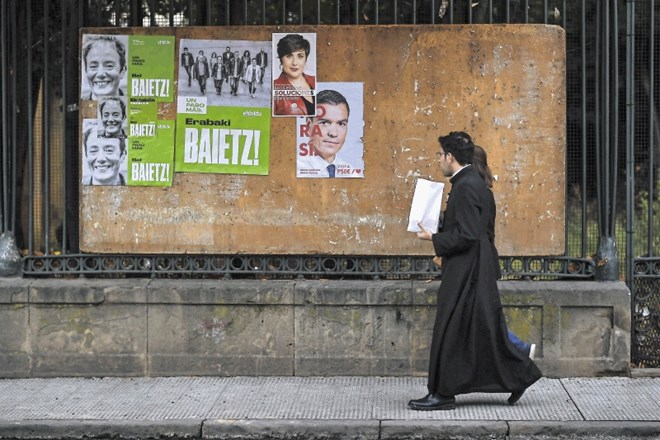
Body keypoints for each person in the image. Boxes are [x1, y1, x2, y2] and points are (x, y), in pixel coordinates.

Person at [409, 131, 541, 411]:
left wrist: (434, 238)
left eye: (439, 155)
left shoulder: (467, 186)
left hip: (467, 271)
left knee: (451, 329)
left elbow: (468, 235)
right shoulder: (470, 183)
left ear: (450, 157)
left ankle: (443, 394)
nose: (438, 160)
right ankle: (518, 375)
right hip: (471, 268)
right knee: (474, 332)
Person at [472, 144, 536, 360]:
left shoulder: (480, 195)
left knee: (484, 316)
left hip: (481, 262)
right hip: (484, 260)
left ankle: (519, 347)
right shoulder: (483, 192)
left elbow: (475, 231)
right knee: (479, 315)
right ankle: (517, 349)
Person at [297, 89, 352, 178]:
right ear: (308, 125)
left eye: (341, 124)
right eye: (324, 123)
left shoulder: (352, 174)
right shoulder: (294, 170)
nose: (333, 133)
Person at [273, 34, 316, 116]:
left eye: (300, 56)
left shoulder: (315, 81)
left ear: (305, 59)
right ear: (281, 59)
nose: (295, 63)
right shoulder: (273, 88)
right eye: (289, 56)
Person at [81, 35, 127, 100]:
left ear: (123, 71)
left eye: (109, 66)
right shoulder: (79, 104)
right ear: (86, 70)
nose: (100, 74)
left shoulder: (135, 104)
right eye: (93, 66)